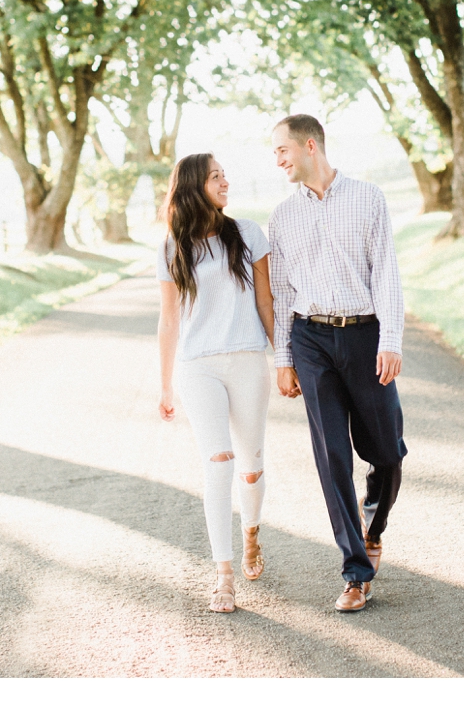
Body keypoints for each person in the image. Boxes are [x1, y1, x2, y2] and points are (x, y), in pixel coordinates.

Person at [267, 114, 407, 613]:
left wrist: (390, 338)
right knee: (332, 458)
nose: (278, 161)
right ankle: (355, 571)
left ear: (309, 146)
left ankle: (374, 524)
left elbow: (386, 271)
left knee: (388, 452)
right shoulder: (282, 216)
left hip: (365, 334)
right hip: (311, 339)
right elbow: (282, 292)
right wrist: (283, 358)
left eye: (282, 150)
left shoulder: (368, 198)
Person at [156, 152, 277, 613]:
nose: (226, 181)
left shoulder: (247, 233)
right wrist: (165, 385)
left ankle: (251, 532)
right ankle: (223, 575)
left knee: (251, 463)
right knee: (218, 462)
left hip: (247, 359)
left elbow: (266, 302)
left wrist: (284, 359)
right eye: (215, 176)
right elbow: (169, 321)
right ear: (193, 187)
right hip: (197, 366)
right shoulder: (172, 247)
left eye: (226, 174)